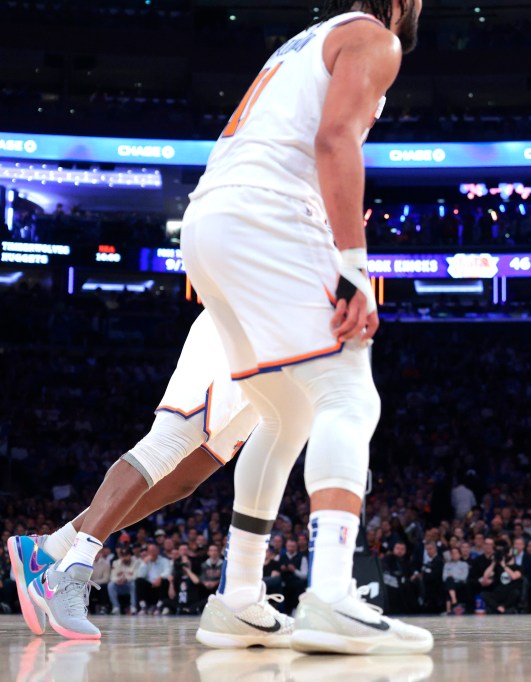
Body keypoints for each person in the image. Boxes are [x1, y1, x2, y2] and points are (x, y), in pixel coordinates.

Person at [179, 0, 431, 654]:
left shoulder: (301, 44)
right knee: (350, 394)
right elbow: (333, 140)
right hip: (268, 218)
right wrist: (353, 265)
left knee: (284, 413)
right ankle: (331, 593)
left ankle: (237, 598)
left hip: (208, 223)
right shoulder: (376, 39)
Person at [9, 311, 258, 639]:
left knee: (183, 478)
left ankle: (48, 550)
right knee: (167, 443)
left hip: (283, 355)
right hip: (243, 323)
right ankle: (70, 570)